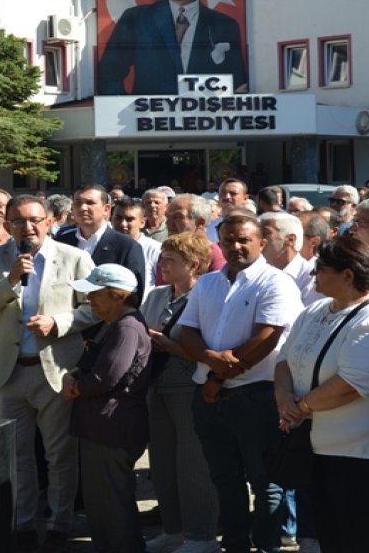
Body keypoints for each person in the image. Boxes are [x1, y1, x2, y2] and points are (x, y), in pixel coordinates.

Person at [274, 237, 369, 553]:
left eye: (320, 269)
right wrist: (283, 399)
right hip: (320, 444)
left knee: (359, 530)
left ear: (348, 275)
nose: (313, 276)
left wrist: (299, 407)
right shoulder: (314, 310)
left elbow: (351, 385)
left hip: (363, 448)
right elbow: (285, 358)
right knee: (329, 529)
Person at [0, 195, 96, 553]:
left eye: (35, 220)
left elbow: (95, 309)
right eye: (20, 222)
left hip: (55, 371)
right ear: (8, 226)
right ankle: (22, 523)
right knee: (16, 456)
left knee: (59, 455)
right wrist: (9, 282)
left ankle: (59, 523)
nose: (29, 227)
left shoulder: (75, 258)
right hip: (8, 374)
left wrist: (59, 322)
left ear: (50, 221)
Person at [179, 214, 302, 553]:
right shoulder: (206, 283)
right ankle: (234, 544)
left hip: (256, 398)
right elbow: (186, 331)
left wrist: (217, 375)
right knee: (225, 479)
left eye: (243, 239)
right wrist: (209, 358)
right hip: (209, 400)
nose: (235, 246)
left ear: (261, 241)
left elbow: (267, 337)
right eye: (228, 240)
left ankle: (265, 546)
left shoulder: (275, 282)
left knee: (266, 482)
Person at [62, 264, 153, 553]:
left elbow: (107, 376)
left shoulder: (125, 327)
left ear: (118, 295)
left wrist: (76, 386)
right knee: (103, 501)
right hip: (103, 426)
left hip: (113, 427)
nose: (90, 301)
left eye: (96, 294)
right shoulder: (115, 324)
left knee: (112, 501)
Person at [142, 233, 221, 553]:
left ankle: (201, 536)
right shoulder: (154, 296)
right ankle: (173, 530)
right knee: (162, 463)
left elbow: (211, 347)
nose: (162, 264)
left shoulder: (208, 296)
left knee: (194, 465)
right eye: (162, 257)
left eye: (170, 259)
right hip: (156, 386)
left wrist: (170, 345)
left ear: (194, 265)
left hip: (191, 387)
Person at [97, 0, 245, 96]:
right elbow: (110, 71)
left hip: (203, 117)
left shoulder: (224, 25)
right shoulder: (136, 18)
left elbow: (235, 80)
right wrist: (125, 108)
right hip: (149, 117)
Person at [54, 185, 147, 299]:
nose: (83, 208)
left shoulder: (127, 246)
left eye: (90, 203)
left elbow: (134, 296)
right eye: (78, 202)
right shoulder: (61, 241)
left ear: (106, 209)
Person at [110, 198, 162, 296]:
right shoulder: (104, 245)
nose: (123, 224)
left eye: (129, 219)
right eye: (118, 218)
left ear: (142, 222)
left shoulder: (155, 250)